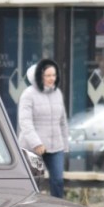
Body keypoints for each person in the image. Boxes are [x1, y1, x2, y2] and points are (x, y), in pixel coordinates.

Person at [17, 58, 69, 198]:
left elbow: (62, 121)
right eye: (48, 75)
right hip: (34, 147)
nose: (52, 78)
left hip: (55, 146)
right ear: (40, 76)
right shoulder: (28, 94)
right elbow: (25, 122)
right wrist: (36, 143)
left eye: (54, 75)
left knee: (58, 180)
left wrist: (65, 144)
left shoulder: (57, 93)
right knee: (34, 181)